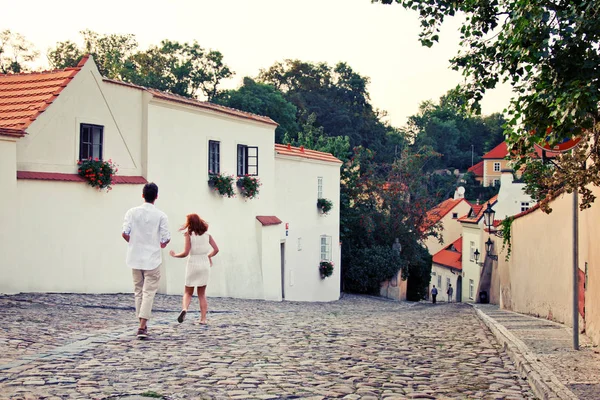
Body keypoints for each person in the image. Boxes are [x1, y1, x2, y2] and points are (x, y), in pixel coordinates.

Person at [122, 182, 171, 339]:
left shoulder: (132, 212)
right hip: (152, 258)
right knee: (148, 292)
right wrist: (159, 244)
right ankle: (142, 326)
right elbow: (166, 238)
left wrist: (135, 242)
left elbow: (124, 233)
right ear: (156, 197)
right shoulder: (161, 216)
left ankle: (141, 323)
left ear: (142, 195)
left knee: (138, 290)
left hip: (135, 257)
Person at [170, 214, 219, 325]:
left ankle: (185, 309)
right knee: (201, 294)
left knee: (188, 292)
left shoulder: (189, 234)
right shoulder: (208, 235)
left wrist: (175, 255)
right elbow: (216, 249)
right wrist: (209, 256)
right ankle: (203, 319)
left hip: (193, 263)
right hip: (204, 263)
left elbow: (185, 253)